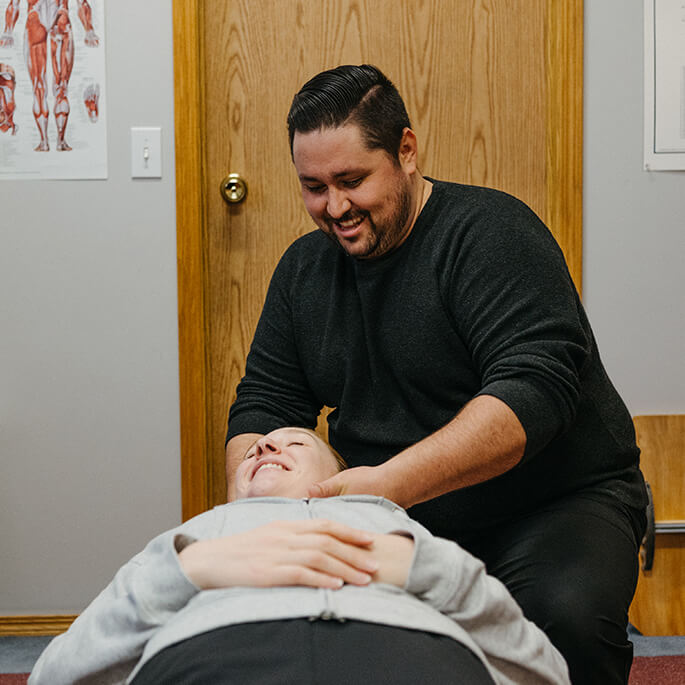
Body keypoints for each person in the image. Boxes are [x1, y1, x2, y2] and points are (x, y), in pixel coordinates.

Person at [225, 64, 648, 684]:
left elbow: (532, 390)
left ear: (406, 150)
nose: (334, 207)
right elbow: (264, 401)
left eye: (351, 180)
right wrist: (253, 500)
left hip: (555, 501)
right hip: (395, 512)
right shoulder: (302, 273)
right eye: (313, 186)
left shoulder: (491, 233)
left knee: (562, 622)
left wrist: (389, 484)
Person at [29, 427, 569, 684]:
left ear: (341, 478)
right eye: (256, 448)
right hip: (214, 658)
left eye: (294, 444)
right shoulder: (200, 534)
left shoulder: (388, 522)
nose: (264, 448)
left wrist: (419, 567)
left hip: (407, 655)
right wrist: (191, 569)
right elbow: (54, 674)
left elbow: (545, 671)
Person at [0, 0, 99, 151]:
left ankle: (44, 142)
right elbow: (82, 3)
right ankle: (60, 141)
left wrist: (8, 31)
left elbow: (14, 4)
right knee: (61, 87)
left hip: (36, 16)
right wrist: (89, 30)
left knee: (39, 88)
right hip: (59, 15)